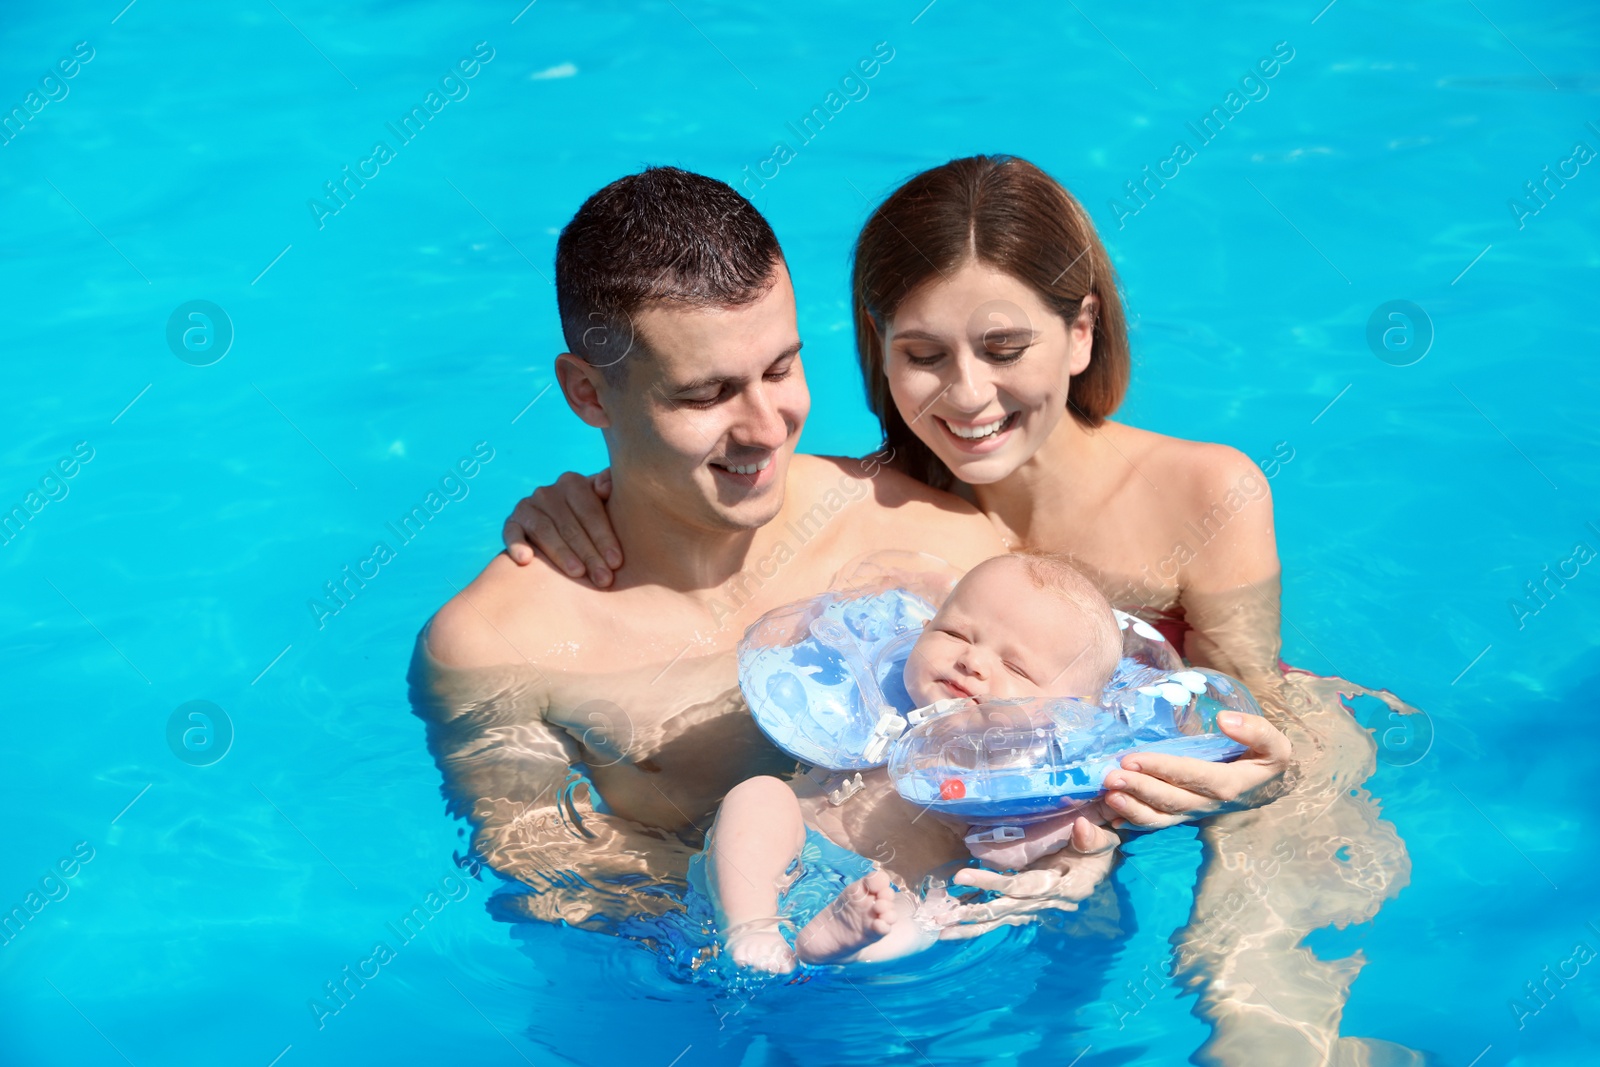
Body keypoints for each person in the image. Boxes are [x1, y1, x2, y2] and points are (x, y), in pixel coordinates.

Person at [499, 157, 1417, 1064]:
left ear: (1082, 332)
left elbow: (1254, 700)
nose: (968, 396)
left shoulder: (1205, 493)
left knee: (1254, 961)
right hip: (992, 822)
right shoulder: (899, 504)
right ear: (878, 352)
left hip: (1205, 768)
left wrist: (1246, 770)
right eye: (923, 356)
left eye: (1006, 349)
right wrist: (595, 496)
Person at [413, 166, 1123, 943]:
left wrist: (1085, 853)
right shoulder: (499, 648)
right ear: (588, 393)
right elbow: (546, 873)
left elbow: (1104, 727)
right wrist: (776, 918)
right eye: (706, 394)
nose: (765, 427)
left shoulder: (936, 542)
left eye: (781, 368)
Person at [709, 553, 1126, 972]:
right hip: (788, 845)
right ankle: (752, 926)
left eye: (1014, 665)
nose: (972, 661)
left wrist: (1079, 864)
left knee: (927, 918)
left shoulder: (1040, 780)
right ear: (923, 630)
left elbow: (1071, 852)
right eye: (955, 632)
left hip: (888, 894)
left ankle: (837, 946)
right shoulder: (871, 696)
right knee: (760, 793)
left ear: (1069, 712)